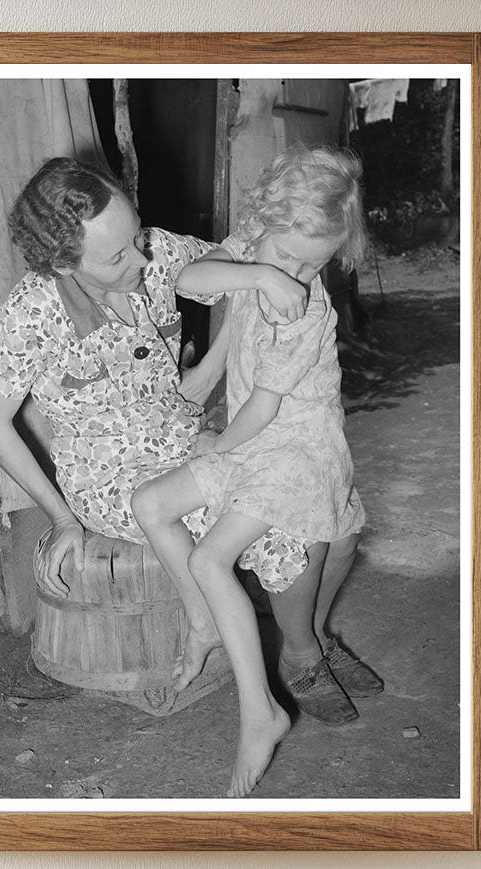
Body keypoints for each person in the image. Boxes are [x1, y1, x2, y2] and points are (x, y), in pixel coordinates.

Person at [0, 156, 380, 732]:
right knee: (288, 525)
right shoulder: (32, 314)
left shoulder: (155, 251)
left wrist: (214, 364)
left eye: (137, 236)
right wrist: (60, 517)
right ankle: (302, 657)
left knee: (337, 517)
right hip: (111, 472)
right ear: (64, 262)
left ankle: (307, 638)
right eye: (118, 256)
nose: (142, 259)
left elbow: (241, 266)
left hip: (186, 435)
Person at [131, 147, 373, 797]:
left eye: (314, 266)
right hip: (253, 442)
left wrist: (215, 448)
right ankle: (209, 622)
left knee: (214, 558)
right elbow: (190, 278)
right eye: (288, 258)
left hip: (296, 450)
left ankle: (261, 710)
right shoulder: (248, 252)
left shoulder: (307, 312)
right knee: (149, 503)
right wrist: (258, 274)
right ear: (263, 223)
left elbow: (264, 410)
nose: (298, 278)